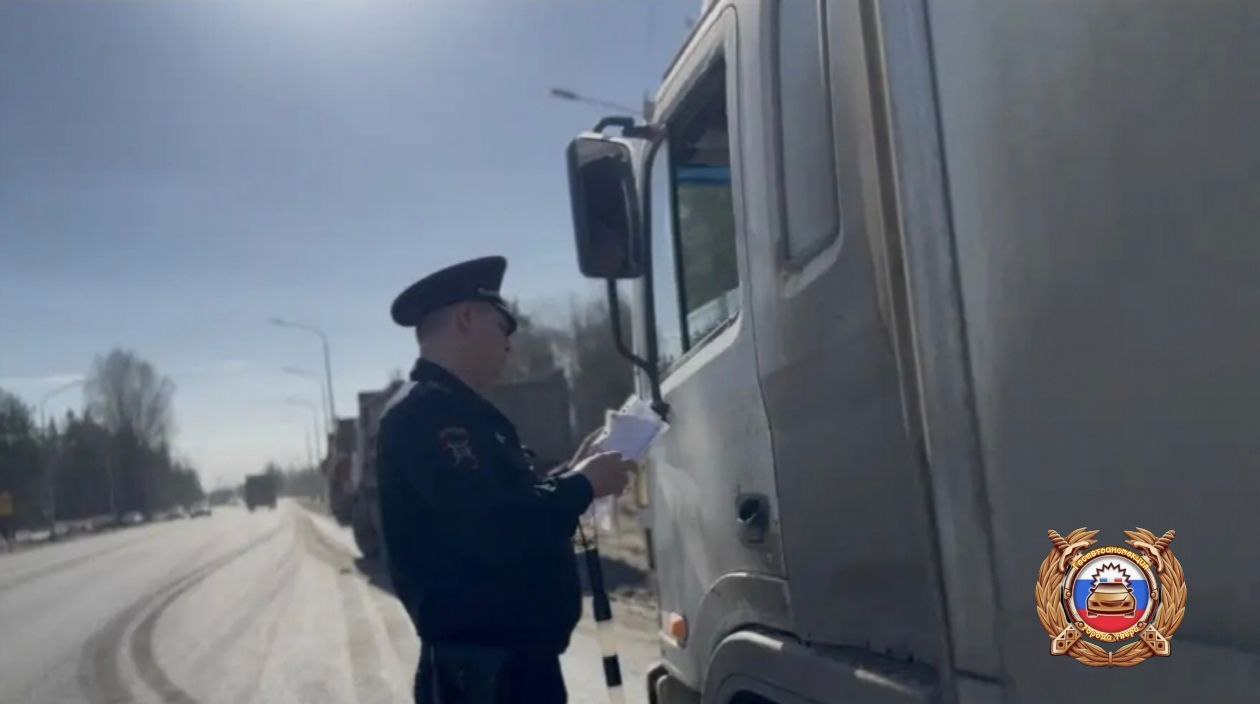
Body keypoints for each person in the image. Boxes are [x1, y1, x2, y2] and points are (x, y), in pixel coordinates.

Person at [377, 255, 637, 704]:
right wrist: (582, 485)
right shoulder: (428, 414)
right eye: (503, 328)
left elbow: (502, 501)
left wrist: (574, 473)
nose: (509, 344)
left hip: (509, 667)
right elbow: (494, 526)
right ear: (466, 318)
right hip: (483, 675)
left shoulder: (461, 411)